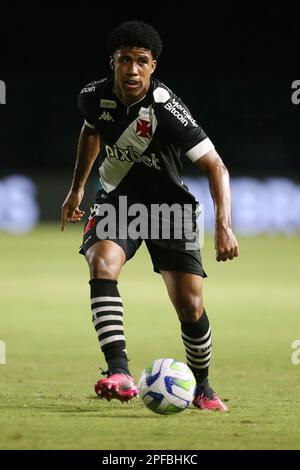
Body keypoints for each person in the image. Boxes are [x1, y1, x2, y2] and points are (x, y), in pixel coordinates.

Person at [61, 20, 239, 411]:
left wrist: (224, 225)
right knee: (101, 262)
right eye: (126, 60)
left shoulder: (165, 106)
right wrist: (77, 188)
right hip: (118, 201)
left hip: (169, 207)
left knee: (190, 306)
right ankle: (119, 372)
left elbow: (216, 166)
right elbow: (91, 131)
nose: (133, 70)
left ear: (153, 66)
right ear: (113, 62)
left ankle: (203, 387)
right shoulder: (93, 96)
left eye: (142, 61)